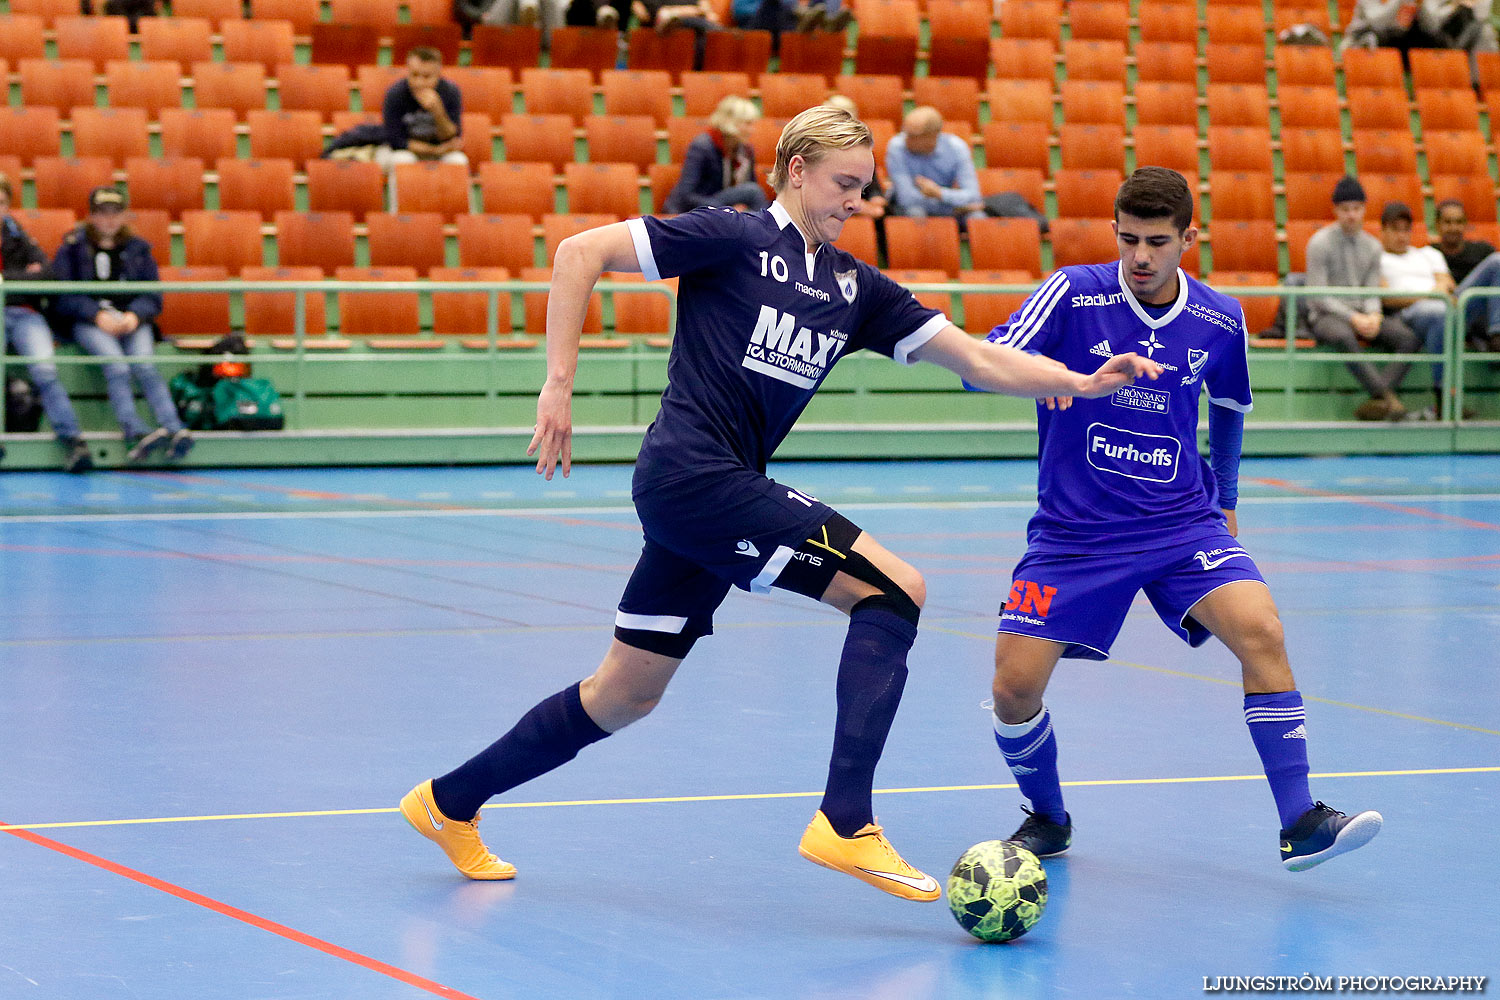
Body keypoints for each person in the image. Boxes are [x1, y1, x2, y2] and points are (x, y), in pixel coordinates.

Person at [399, 105, 1158, 900]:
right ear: (795, 170)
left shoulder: (855, 288)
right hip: (694, 477)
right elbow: (577, 252)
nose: (854, 201)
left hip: (707, 499)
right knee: (896, 590)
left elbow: (972, 357)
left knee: (624, 693)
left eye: (864, 189)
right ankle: (845, 822)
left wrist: (1076, 382)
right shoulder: (731, 238)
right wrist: (558, 386)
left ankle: (448, 803)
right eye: (842, 183)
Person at [978, 166, 1383, 873]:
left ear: (1188, 239)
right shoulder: (1073, 293)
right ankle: (1048, 818)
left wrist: (1226, 501)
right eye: (1128, 239)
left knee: (1262, 629)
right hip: (1074, 536)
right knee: (1013, 689)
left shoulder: (1220, 319)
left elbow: (1229, 410)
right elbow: (978, 365)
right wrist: (1070, 380)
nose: (1140, 256)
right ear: (1114, 232)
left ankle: (1302, 821)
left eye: (1157, 242)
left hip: (1182, 526)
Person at [52, 187, 193, 463]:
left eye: (115, 214)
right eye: (103, 213)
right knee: (117, 366)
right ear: (92, 216)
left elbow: (152, 296)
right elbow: (63, 296)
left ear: (123, 216)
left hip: (130, 320)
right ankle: (134, 431)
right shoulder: (72, 247)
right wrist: (95, 315)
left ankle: (175, 429)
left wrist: (135, 316)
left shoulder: (139, 249)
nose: (109, 220)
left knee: (145, 364)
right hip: (89, 322)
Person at [1304, 175, 1420, 421]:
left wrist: (1375, 315)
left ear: (1364, 210)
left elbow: (1371, 290)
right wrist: (1354, 317)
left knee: (1408, 338)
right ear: (1336, 210)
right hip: (1327, 315)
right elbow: (1317, 295)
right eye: (1345, 209)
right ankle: (1387, 398)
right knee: (1343, 335)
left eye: (1356, 209)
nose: (1351, 215)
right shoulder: (1319, 243)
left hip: (1362, 313)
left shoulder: (1372, 246)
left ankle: (1377, 400)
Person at [1, 173, 92, 472]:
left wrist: (6, 279)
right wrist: (26, 275)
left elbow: (47, 275)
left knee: (45, 369)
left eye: (1, 203)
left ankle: (73, 441)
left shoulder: (19, 237)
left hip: (26, 314)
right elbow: (34, 274)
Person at [1377, 201, 1454, 419]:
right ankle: (1443, 394)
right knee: (1437, 312)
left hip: (1445, 307)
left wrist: (1438, 294)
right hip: (1410, 314)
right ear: (1383, 231)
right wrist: (1431, 294)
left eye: (1406, 230)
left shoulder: (1429, 254)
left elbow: (1449, 285)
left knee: (1496, 262)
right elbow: (1388, 297)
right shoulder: (1378, 258)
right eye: (1395, 230)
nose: (1402, 236)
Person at [663, 95, 769, 214]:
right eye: (747, 124)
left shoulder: (746, 151)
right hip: (693, 209)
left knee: (753, 199)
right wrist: (728, 209)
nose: (752, 130)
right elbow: (686, 195)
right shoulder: (702, 147)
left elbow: (749, 186)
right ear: (731, 122)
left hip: (719, 209)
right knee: (753, 192)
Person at [885, 107, 984, 226]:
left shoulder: (956, 148)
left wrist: (940, 193)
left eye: (912, 135)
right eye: (905, 132)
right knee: (915, 213)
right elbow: (906, 199)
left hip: (945, 201)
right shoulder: (897, 147)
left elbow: (973, 196)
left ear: (933, 135)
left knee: (977, 217)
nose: (906, 138)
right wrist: (952, 207)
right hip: (916, 209)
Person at [377, 47, 467, 174]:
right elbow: (397, 142)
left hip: (440, 149)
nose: (419, 82)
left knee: (458, 161)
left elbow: (452, 136)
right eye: (414, 75)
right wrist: (435, 150)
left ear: (438, 75)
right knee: (402, 160)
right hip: (405, 151)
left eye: (426, 76)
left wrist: (438, 111)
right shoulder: (395, 94)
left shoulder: (451, 92)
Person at [1434, 198, 1500, 351]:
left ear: (1465, 225)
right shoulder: (1429, 253)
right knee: (1497, 261)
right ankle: (1497, 336)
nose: (1453, 227)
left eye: (1458, 222)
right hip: (1451, 313)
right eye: (1448, 222)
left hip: (1482, 315)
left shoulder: (1483, 251)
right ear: (1437, 225)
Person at [632, 0, 721, 69]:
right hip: (664, 24)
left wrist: (684, 11)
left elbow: (706, 11)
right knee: (704, 28)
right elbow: (653, 14)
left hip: (693, 25)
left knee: (703, 33)